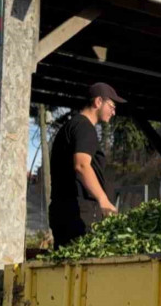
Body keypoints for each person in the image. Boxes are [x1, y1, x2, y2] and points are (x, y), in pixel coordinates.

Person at [48, 82, 126, 248]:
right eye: (111, 106)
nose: (114, 111)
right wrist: (103, 200)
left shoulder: (70, 127)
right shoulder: (84, 127)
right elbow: (82, 165)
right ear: (98, 102)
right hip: (78, 214)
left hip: (63, 212)